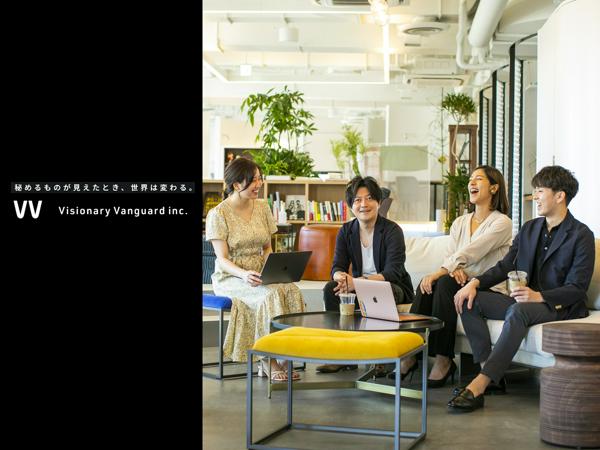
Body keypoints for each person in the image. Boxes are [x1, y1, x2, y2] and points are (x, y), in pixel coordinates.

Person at [449, 166, 594, 412]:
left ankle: (479, 384)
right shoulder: (529, 228)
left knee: (518, 311)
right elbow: (506, 265)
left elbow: (577, 288)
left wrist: (538, 296)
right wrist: (475, 283)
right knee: (468, 300)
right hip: (522, 299)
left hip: (557, 305)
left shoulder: (581, 235)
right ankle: (490, 372)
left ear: (560, 196)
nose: (534, 196)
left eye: (540, 191)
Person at [400, 166, 513, 387]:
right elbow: (451, 255)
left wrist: (445, 270)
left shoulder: (502, 223)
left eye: (478, 179)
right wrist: (452, 270)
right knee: (427, 285)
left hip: (486, 286)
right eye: (470, 179)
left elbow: (473, 251)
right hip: (458, 280)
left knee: (441, 282)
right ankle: (410, 352)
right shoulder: (460, 222)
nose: (472, 183)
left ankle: (444, 360)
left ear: (494, 188)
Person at [205, 157, 306, 382]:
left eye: (260, 178)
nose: (259, 184)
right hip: (231, 276)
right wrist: (244, 274)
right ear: (236, 184)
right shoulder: (218, 214)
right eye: (253, 180)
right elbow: (222, 259)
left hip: (260, 271)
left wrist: (273, 269)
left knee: (291, 290)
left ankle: (286, 355)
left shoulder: (262, 207)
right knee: (268, 295)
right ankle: (267, 359)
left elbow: (267, 247)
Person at [316, 176, 414, 374]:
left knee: (378, 291)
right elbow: (337, 266)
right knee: (331, 289)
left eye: (369, 198)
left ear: (378, 202)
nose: (364, 204)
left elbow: (393, 272)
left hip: (393, 286)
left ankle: (380, 355)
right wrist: (341, 278)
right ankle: (343, 354)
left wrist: (358, 283)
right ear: (351, 205)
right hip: (359, 286)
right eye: (358, 200)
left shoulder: (392, 230)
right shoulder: (346, 231)